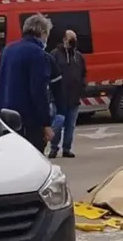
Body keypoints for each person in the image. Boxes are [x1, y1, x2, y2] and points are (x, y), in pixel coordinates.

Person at [0, 14, 54, 151]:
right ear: (43, 33)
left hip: (4, 118)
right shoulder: (38, 54)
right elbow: (39, 91)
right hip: (27, 122)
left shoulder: (8, 50)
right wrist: (46, 123)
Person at [48, 30, 87, 158]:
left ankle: (66, 149)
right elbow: (49, 73)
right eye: (71, 39)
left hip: (74, 97)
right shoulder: (55, 54)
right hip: (59, 97)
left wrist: (82, 87)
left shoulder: (78, 56)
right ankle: (54, 148)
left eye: (75, 39)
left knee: (70, 125)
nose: (73, 42)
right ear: (65, 39)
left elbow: (83, 73)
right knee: (58, 124)